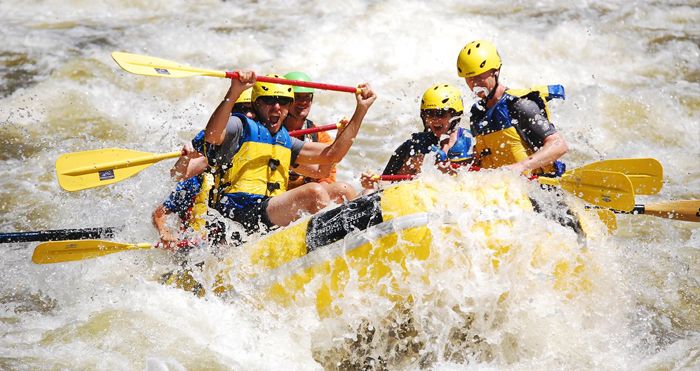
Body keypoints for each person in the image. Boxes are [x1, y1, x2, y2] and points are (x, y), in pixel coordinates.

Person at [199, 72, 375, 234]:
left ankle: (360, 236)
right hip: (238, 211)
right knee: (314, 192)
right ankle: (328, 240)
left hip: (268, 211)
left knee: (342, 189)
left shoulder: (285, 141)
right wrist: (234, 91)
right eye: (269, 100)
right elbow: (213, 135)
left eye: (283, 102)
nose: (277, 107)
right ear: (257, 103)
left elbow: (332, 155)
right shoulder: (240, 125)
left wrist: (361, 110)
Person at [152, 90, 256, 248]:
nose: (248, 116)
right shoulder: (204, 171)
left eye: (252, 111)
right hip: (196, 250)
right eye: (242, 110)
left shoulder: (257, 166)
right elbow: (159, 213)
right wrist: (165, 233)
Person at [456, 39, 568, 176]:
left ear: (495, 72)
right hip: (502, 189)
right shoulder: (477, 114)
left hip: (538, 190)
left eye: (479, 77)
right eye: (469, 79)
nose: (475, 84)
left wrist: (521, 166)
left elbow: (559, 145)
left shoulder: (519, 105)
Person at [361, 83, 473, 189]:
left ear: (455, 116)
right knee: (368, 191)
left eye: (440, 113)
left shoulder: (471, 143)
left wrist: (452, 174)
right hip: (416, 201)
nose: (434, 119)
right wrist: (373, 183)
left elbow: (484, 179)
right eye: (429, 113)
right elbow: (386, 181)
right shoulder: (412, 146)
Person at [282, 71, 356, 201]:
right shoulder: (274, 130)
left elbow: (325, 178)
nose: (303, 102)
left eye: (307, 97)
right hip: (278, 198)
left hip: (307, 197)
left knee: (343, 190)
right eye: (297, 97)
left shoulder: (319, 135)